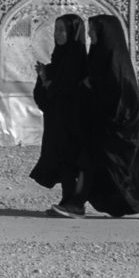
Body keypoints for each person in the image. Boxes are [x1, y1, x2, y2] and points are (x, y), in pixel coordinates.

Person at [75, 15, 139, 218]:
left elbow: (123, 96)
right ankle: (123, 205)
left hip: (121, 128)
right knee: (107, 170)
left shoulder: (115, 61)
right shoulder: (99, 56)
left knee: (132, 168)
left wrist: (94, 87)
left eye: (93, 30)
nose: (89, 34)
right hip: (104, 126)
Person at [28, 13, 90, 217]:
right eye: (56, 30)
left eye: (63, 30)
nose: (58, 34)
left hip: (74, 122)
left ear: (74, 32)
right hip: (57, 121)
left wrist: (48, 82)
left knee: (72, 160)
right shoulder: (59, 58)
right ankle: (67, 200)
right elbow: (48, 94)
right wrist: (45, 79)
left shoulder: (79, 61)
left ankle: (76, 203)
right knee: (62, 160)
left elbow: (68, 89)